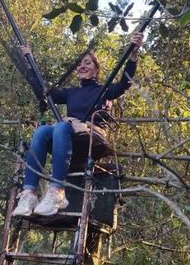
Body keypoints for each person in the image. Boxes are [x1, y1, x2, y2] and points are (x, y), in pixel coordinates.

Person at [13, 32, 144, 217]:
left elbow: (123, 84)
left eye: (88, 63)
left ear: (96, 70)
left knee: (60, 126)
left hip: (92, 135)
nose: (82, 66)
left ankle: (57, 190)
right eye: (80, 64)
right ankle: (29, 192)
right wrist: (30, 63)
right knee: (42, 131)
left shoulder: (103, 90)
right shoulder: (71, 93)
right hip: (69, 135)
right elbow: (43, 93)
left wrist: (133, 54)